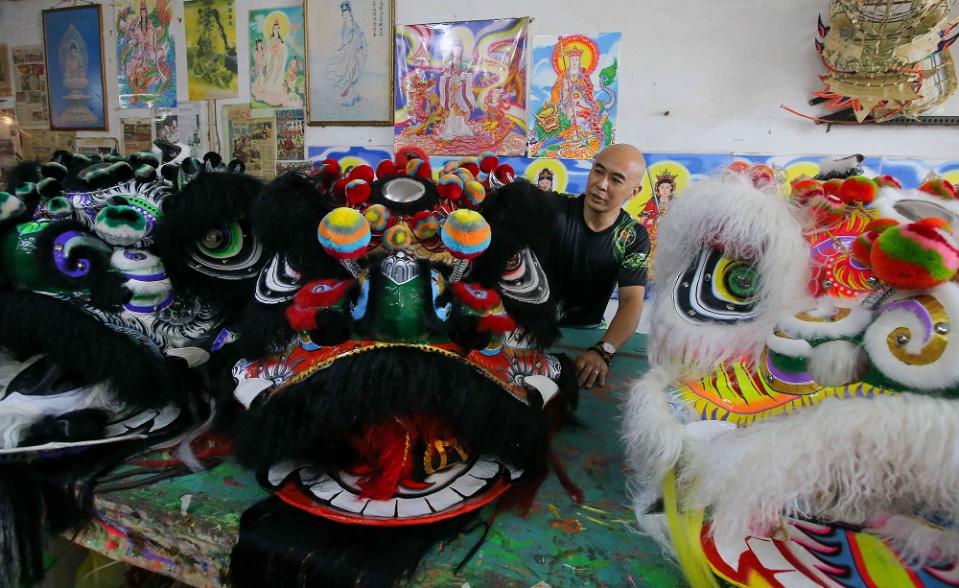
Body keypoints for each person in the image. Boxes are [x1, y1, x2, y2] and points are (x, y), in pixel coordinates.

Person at [544, 143, 649, 388]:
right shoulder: (552, 210)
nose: (601, 184)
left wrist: (604, 351)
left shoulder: (632, 236)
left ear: (634, 192)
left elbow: (631, 301)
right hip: (530, 327)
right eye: (598, 171)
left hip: (587, 331)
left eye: (616, 179)